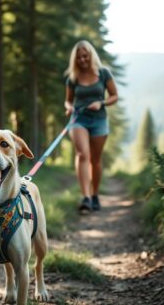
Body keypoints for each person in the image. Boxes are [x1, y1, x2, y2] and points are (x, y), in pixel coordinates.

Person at [64, 40, 118, 213]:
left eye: (85, 56)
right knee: (82, 154)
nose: (82, 60)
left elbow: (114, 96)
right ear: (75, 59)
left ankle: (95, 195)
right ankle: (85, 197)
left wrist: (101, 103)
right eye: (79, 57)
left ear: (91, 55)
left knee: (95, 160)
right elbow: (68, 100)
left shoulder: (103, 73)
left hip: (99, 121)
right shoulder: (73, 78)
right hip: (78, 119)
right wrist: (69, 107)